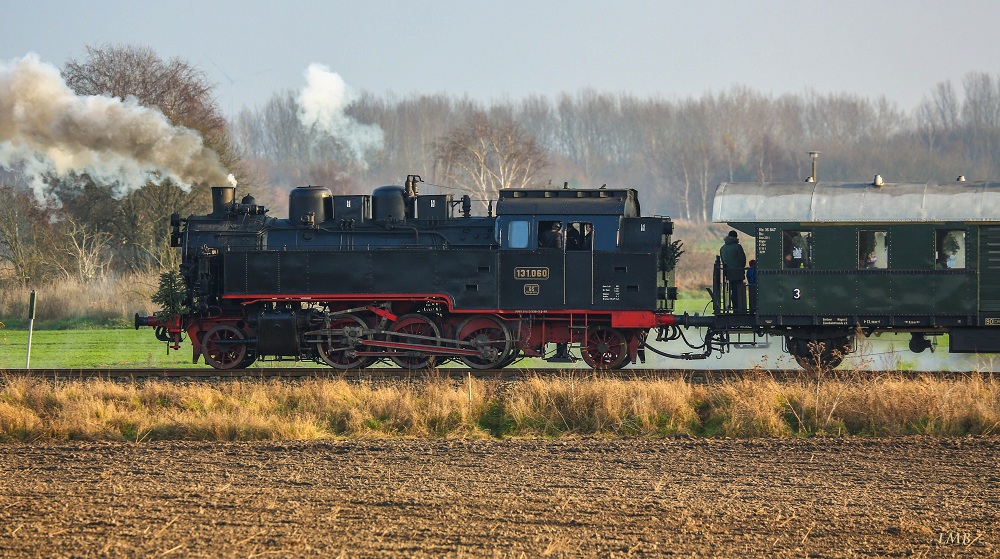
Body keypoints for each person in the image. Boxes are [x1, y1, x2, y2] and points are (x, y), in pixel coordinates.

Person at [720, 230, 747, 312]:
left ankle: (731, 307)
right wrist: (741, 267)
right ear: (736, 237)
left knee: (731, 291)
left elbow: (722, 261)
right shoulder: (737, 247)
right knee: (738, 292)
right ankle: (738, 309)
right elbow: (742, 260)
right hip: (738, 273)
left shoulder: (722, 248)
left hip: (728, 273)